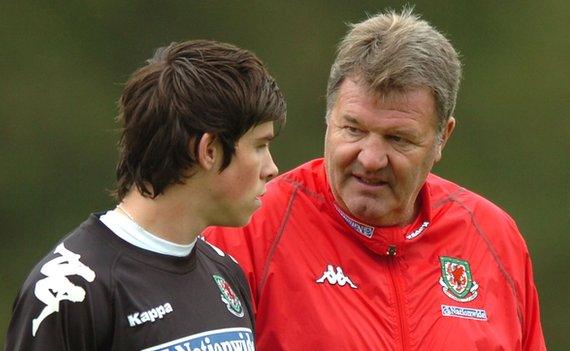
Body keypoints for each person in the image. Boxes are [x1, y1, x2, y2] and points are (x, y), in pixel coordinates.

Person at [203, 9, 546, 350]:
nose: (370, 158)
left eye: (398, 139)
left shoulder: (494, 237)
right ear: (329, 115)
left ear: (443, 137)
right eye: (353, 129)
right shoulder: (248, 229)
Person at [6, 39, 286, 350]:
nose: (271, 168)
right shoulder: (70, 290)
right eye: (260, 145)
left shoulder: (226, 274)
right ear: (209, 150)